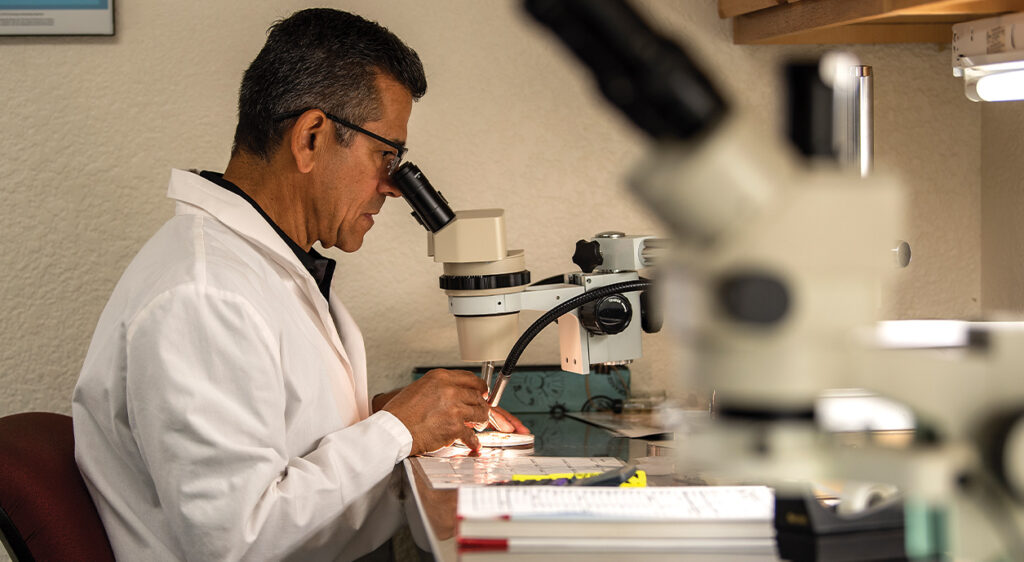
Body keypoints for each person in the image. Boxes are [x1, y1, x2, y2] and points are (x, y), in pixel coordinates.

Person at [72, 8, 527, 561]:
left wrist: (395, 417)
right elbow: (235, 542)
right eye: (388, 154)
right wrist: (395, 430)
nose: (393, 186)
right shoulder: (201, 294)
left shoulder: (260, 265)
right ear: (311, 137)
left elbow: (280, 442)